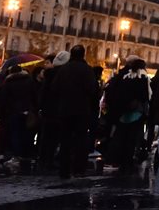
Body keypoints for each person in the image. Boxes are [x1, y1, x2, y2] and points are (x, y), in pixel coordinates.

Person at [49, 45, 100, 179]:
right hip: (82, 110)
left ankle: (64, 169)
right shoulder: (87, 70)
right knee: (80, 140)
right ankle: (78, 169)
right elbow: (92, 89)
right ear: (83, 55)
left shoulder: (64, 69)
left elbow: (54, 88)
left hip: (65, 109)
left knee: (65, 140)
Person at [109, 57, 150, 169]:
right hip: (136, 111)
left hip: (123, 111)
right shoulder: (142, 77)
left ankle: (120, 159)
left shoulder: (125, 77)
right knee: (132, 138)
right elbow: (145, 95)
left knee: (123, 136)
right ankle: (128, 160)